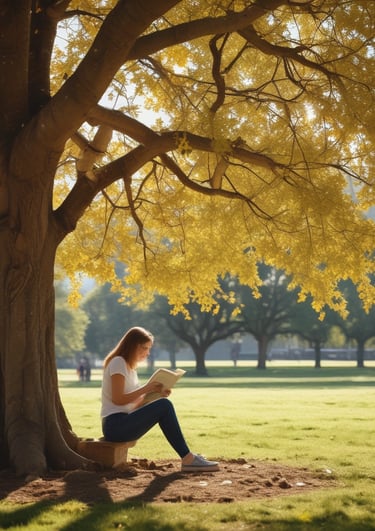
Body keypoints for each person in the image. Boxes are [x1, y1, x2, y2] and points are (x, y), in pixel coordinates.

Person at [101, 326, 219, 473]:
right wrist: (147, 388)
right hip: (115, 426)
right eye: (144, 348)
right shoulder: (118, 362)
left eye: (149, 348)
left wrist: (155, 395)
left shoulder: (130, 368)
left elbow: (133, 404)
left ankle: (188, 457)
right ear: (132, 346)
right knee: (164, 405)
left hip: (125, 421)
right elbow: (118, 399)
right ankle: (188, 459)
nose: (147, 353)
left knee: (163, 405)